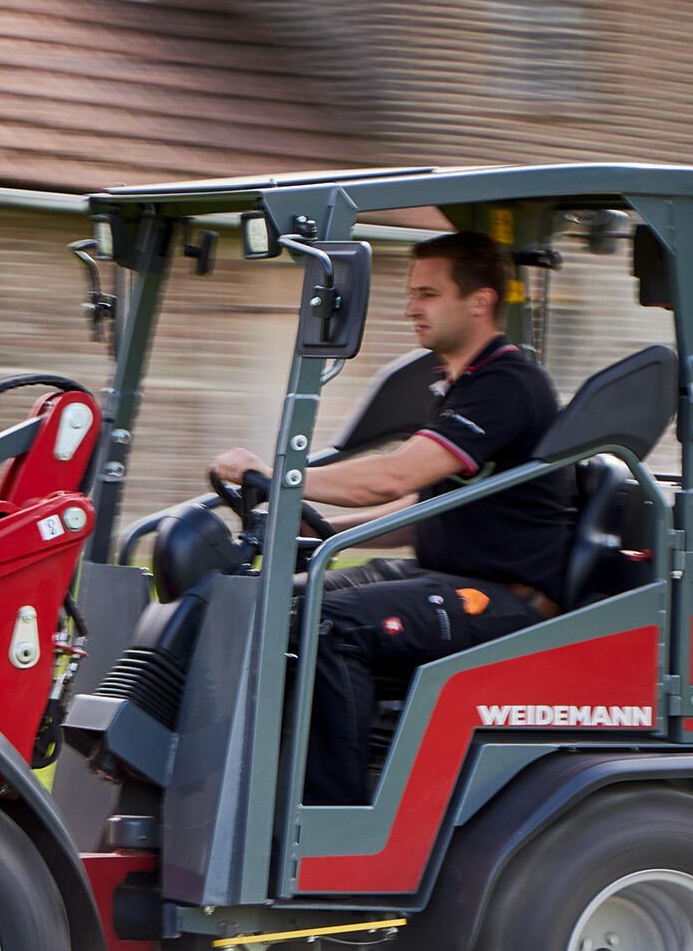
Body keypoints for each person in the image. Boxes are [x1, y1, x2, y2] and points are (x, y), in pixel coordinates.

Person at [210, 230, 574, 806]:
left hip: (499, 598)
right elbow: (425, 504)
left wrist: (277, 476)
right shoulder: (461, 385)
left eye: (427, 294)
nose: (410, 308)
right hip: (445, 579)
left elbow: (395, 475)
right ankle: (245, 788)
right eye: (411, 293)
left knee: (332, 624)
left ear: (479, 301)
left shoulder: (507, 386)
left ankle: (331, 822)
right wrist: (329, 529)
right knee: (270, 599)